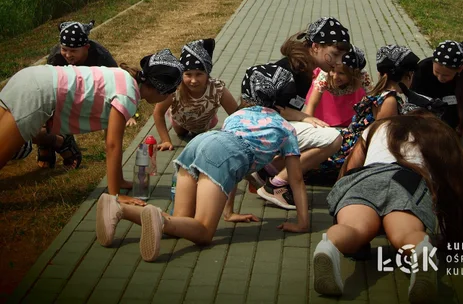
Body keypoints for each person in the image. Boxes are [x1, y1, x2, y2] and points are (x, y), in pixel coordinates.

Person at [95, 62, 309, 262]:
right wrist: (302, 222)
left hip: (199, 144)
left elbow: (233, 167)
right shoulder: (286, 129)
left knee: (179, 221)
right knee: (204, 232)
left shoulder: (237, 116)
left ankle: (118, 208)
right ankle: (157, 219)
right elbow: (296, 180)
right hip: (222, 154)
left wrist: (230, 212)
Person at [312, 111, 463, 301]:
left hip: (365, 178)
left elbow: (351, 168)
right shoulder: (439, 133)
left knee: (353, 228)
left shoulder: (377, 127)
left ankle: (328, 247)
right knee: (405, 234)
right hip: (406, 180)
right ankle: (420, 252)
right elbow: (456, 184)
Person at [0, 49, 183, 203]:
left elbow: (108, 134)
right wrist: (115, 196)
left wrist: (118, 180)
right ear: (159, 89)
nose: (169, 98)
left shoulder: (124, 77)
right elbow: (112, 144)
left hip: (31, 76)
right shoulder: (129, 96)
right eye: (170, 93)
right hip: (38, 94)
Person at [255, 16, 350, 209]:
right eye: (335, 53)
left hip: (267, 127)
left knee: (319, 131)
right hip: (261, 130)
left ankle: (268, 169)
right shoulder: (292, 70)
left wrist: (306, 119)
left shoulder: (303, 67)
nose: (339, 61)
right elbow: (274, 109)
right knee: (333, 138)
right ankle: (276, 186)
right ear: (315, 47)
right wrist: (306, 117)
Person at [314, 44, 420, 176]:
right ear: (408, 76)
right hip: (351, 152)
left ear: (380, 74)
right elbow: (382, 139)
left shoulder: (382, 94)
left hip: (346, 142)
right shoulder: (389, 100)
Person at [36, 20, 121, 169]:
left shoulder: (101, 56)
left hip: (91, 91)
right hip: (65, 89)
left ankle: (60, 142)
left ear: (86, 48)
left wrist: (124, 112)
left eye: (73, 51)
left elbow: (118, 82)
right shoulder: (57, 57)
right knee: (45, 111)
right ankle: (49, 143)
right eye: (64, 49)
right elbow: (48, 89)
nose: (68, 55)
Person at [153, 38, 238, 149]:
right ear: (182, 74)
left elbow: (237, 115)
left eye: (199, 74)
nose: (193, 80)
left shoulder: (217, 89)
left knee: (201, 135)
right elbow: (158, 113)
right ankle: (173, 114)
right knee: (181, 133)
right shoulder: (174, 89)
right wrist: (166, 140)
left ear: (207, 74)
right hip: (180, 120)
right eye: (188, 74)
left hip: (206, 121)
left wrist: (238, 136)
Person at [411, 39, 463, 149]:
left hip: (452, 117)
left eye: (446, 75)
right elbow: (413, 102)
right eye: (437, 72)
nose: (440, 78)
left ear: (460, 69)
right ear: (433, 62)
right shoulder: (423, 69)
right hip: (427, 114)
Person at [305, 46, 371, 127]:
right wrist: (308, 125)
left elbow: (372, 97)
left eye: (341, 73)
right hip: (326, 98)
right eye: (332, 70)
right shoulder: (325, 75)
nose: (335, 77)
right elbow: (312, 104)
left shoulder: (362, 76)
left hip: (349, 99)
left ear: (353, 74)